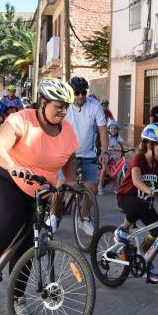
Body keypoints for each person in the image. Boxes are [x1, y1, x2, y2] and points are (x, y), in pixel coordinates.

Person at [0, 78, 77, 315]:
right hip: (2, 178)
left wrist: (71, 182)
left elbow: (70, 157)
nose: (63, 111)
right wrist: (13, 167)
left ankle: (17, 297)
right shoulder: (22, 120)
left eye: (67, 106)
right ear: (42, 103)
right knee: (9, 218)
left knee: (28, 245)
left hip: (38, 189)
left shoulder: (68, 131)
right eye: (58, 105)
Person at [113, 123, 158, 283]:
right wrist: (151, 191)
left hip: (145, 203)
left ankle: (145, 261)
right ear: (149, 145)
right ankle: (122, 229)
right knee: (138, 203)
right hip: (127, 198)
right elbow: (136, 180)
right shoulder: (139, 158)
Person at [56, 76, 109, 220]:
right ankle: (53, 217)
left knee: (93, 188)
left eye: (83, 92)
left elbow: (103, 130)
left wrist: (104, 152)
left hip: (88, 154)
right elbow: (55, 129)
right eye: (77, 92)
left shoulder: (94, 105)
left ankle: (84, 218)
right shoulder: (64, 107)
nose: (80, 96)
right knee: (61, 185)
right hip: (67, 154)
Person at [97, 120, 125, 195]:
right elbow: (103, 145)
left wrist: (129, 149)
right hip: (105, 154)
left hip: (112, 156)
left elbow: (123, 142)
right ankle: (100, 186)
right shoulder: (107, 136)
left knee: (114, 170)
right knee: (104, 169)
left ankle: (114, 186)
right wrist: (106, 149)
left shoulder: (117, 137)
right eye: (112, 128)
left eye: (115, 128)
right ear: (109, 129)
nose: (113, 130)